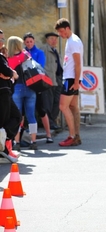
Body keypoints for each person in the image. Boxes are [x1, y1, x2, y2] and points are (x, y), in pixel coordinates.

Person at [55, 18, 83, 147]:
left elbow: (78, 63)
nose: (60, 34)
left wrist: (76, 81)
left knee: (63, 106)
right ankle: (76, 135)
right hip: (71, 77)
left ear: (67, 28)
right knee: (72, 107)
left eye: (61, 31)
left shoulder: (73, 42)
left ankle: (72, 136)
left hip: (71, 78)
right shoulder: (72, 40)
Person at [7, 36, 38, 150]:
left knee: (17, 116)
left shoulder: (9, 59)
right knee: (31, 116)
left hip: (17, 88)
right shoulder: (26, 55)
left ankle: (17, 143)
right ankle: (33, 142)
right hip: (31, 87)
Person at [23, 32, 53, 144]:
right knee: (22, 112)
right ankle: (22, 136)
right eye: (27, 42)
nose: (29, 43)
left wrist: (29, 59)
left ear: (34, 41)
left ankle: (48, 135)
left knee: (41, 110)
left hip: (37, 85)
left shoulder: (39, 52)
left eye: (31, 41)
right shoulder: (22, 53)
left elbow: (40, 66)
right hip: (26, 84)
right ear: (24, 43)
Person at [0, 31, 22, 162]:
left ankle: (5, 146)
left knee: (14, 117)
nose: (2, 41)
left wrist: (11, 73)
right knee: (9, 119)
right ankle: (4, 148)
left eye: (3, 39)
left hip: (6, 92)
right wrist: (10, 73)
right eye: (0, 39)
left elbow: (11, 74)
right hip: (3, 92)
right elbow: (7, 71)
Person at [42, 32, 63, 132]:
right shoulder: (44, 50)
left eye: (55, 39)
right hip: (49, 79)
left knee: (58, 100)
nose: (54, 41)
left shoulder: (56, 50)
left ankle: (52, 120)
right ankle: (49, 123)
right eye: (51, 39)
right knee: (48, 102)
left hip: (58, 78)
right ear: (47, 40)